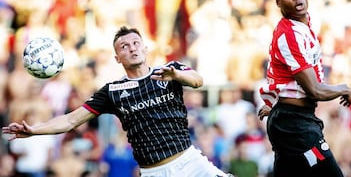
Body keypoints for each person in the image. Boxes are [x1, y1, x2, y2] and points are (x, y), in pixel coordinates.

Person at [2, 26, 232, 177]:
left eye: (135, 43)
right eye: (124, 46)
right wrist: (35, 130)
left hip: (191, 163)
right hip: (154, 172)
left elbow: (197, 81)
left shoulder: (170, 70)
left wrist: (177, 76)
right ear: (117, 58)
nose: (132, 48)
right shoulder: (112, 91)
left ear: (145, 47)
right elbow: (71, 120)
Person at [257, 0, 351, 177]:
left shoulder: (304, 24)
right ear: (277, 2)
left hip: (292, 120)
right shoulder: (289, 34)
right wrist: (342, 88)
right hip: (295, 127)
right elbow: (314, 90)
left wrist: (274, 102)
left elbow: (279, 72)